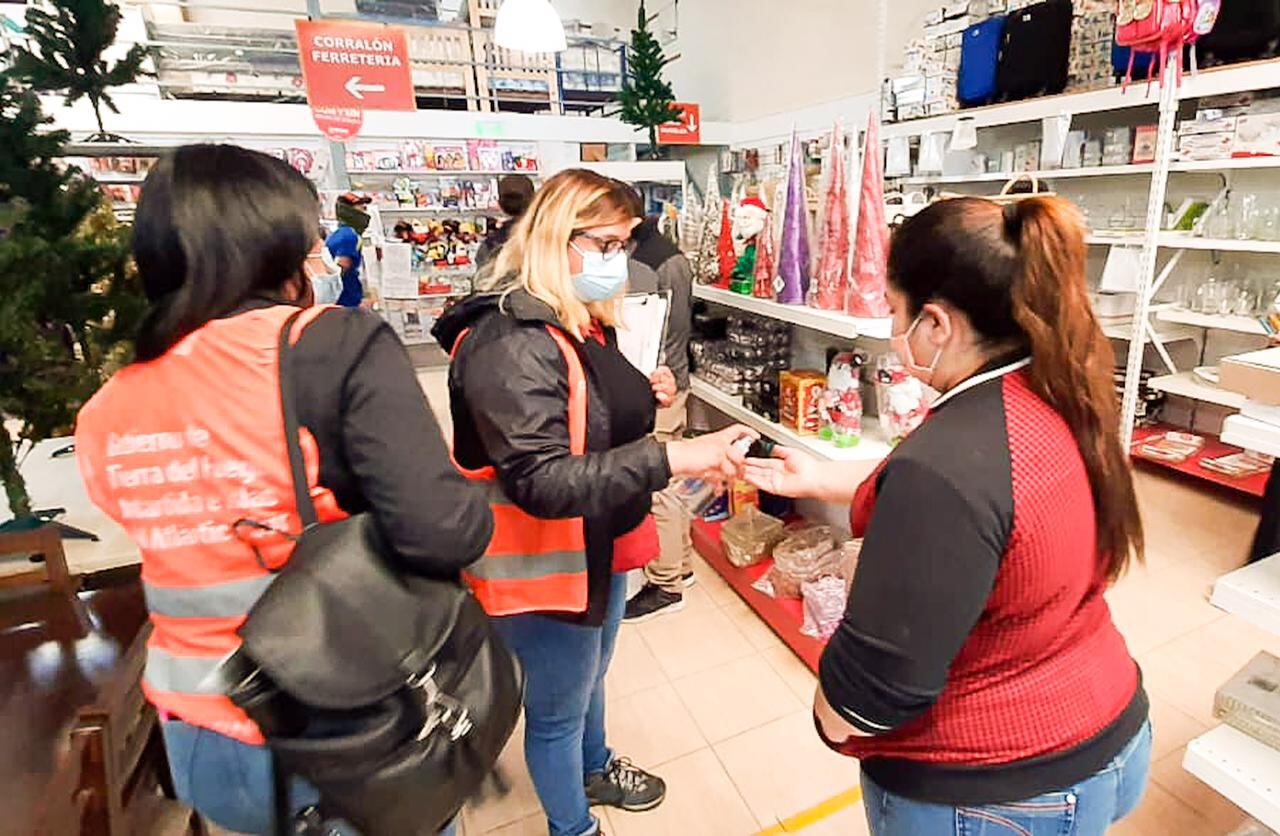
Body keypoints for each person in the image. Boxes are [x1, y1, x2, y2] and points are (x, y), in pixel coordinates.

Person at [74, 144, 492, 835]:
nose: (317, 260)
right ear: (273, 246)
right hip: (334, 718)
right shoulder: (333, 343)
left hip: (197, 732)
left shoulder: (111, 403)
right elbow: (442, 528)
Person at [744, 196, 1151, 836]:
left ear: (935, 324)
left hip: (995, 783)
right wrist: (827, 477)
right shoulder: (1054, 392)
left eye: (893, 309)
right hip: (1105, 726)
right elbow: (1002, 505)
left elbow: (876, 688)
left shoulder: (946, 465)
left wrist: (831, 714)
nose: (890, 326)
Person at [433, 168, 753, 836]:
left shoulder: (575, 320)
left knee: (590, 680)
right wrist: (673, 455)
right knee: (555, 712)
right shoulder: (509, 341)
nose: (619, 261)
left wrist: (645, 389)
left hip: (595, 550)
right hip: (543, 566)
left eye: (626, 243)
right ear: (554, 237)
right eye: (605, 245)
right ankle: (572, 826)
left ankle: (596, 766)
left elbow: (586, 404)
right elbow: (542, 480)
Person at [621, 202, 697, 623]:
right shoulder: (666, 253)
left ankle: (666, 583)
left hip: (658, 384)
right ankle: (680, 567)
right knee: (671, 480)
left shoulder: (646, 263)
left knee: (658, 485)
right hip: (671, 376)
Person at [475, 172, 536, 269]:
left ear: (500, 204)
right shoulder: (545, 238)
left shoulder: (490, 244)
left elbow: (481, 280)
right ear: (534, 200)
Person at [326, 192, 372, 308]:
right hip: (346, 302)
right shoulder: (349, 235)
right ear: (348, 210)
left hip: (340, 300)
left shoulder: (339, 233)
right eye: (360, 204)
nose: (364, 209)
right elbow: (342, 266)